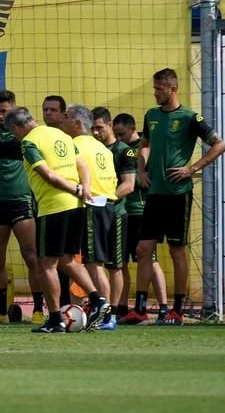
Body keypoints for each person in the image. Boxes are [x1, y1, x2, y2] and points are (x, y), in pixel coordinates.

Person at [6, 106, 110, 333]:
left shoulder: (28, 142)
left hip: (54, 206)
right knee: (67, 259)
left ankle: (55, 319)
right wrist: (85, 189)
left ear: (16, 127)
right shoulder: (59, 134)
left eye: (13, 132)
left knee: (46, 264)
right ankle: (99, 299)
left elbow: (49, 175)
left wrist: (75, 189)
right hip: (77, 206)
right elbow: (82, 165)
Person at [135, 68, 225, 324]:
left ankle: (177, 310)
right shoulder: (151, 115)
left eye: (159, 89)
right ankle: (140, 309)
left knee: (177, 250)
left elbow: (220, 144)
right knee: (143, 249)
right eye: (154, 88)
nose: (155, 93)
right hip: (155, 194)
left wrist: (192, 168)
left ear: (172, 89)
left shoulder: (190, 117)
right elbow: (144, 145)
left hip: (178, 193)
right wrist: (141, 169)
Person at [0, 90, 44, 326]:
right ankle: (0, 312)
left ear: (14, 109)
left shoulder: (26, 135)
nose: (0, 116)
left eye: (4, 111)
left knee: (31, 256)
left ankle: (38, 309)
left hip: (22, 202)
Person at [62, 105, 118, 329]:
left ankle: (106, 316)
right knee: (93, 263)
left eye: (66, 118)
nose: (63, 122)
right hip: (106, 207)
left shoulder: (73, 146)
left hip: (89, 207)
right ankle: (96, 313)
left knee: (93, 264)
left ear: (77, 123)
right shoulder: (102, 148)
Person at [112, 112, 169, 324]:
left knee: (149, 260)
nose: (118, 139)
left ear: (133, 128)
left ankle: (164, 308)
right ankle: (122, 308)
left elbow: (148, 179)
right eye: (116, 134)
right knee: (121, 263)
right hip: (125, 212)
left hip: (144, 211)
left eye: (122, 134)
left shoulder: (145, 149)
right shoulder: (118, 150)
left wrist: (138, 174)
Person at [90, 106, 136, 330]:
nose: (96, 132)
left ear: (109, 125)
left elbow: (129, 185)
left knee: (115, 266)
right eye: (92, 128)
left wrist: (106, 200)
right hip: (94, 214)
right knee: (94, 263)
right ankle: (99, 308)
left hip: (115, 214)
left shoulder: (123, 151)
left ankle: (114, 313)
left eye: (99, 127)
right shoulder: (91, 149)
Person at [41, 94, 73, 308]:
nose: (48, 113)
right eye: (45, 109)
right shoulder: (39, 136)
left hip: (69, 203)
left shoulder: (71, 138)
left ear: (64, 114)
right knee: (57, 260)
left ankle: (93, 302)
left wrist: (80, 189)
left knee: (67, 259)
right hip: (50, 203)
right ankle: (63, 307)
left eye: (53, 110)